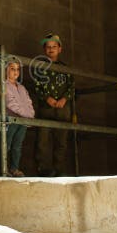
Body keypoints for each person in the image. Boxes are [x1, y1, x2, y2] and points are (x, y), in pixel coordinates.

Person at [32, 33, 75, 177]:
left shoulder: (66, 69)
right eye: (48, 47)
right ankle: (43, 170)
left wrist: (64, 99)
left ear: (60, 49)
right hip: (46, 108)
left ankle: (59, 169)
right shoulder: (40, 67)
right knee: (42, 140)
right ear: (45, 50)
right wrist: (46, 98)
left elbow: (71, 86)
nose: (51, 49)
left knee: (61, 141)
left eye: (54, 47)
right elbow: (36, 86)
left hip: (63, 108)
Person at [0, 60, 35, 177]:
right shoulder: (1, 85)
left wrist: (30, 115)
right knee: (6, 144)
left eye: (17, 69)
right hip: (10, 120)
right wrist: (26, 115)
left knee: (17, 145)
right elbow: (10, 103)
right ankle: (2, 169)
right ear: (5, 70)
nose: (16, 72)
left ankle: (14, 168)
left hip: (23, 121)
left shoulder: (22, 88)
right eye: (12, 68)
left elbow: (28, 102)